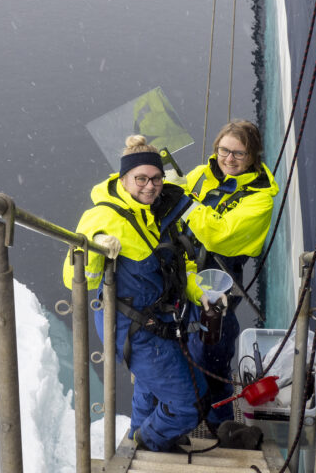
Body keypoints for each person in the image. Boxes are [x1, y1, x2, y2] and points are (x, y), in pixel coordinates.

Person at [62, 134, 210, 452]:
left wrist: (202, 294)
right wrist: (96, 249)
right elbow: (74, 279)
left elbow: (182, 265)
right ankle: (147, 441)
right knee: (192, 405)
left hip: (162, 319)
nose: (149, 186)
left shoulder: (161, 210)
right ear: (124, 178)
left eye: (156, 178)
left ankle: (137, 433)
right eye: (140, 178)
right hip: (133, 327)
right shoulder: (103, 217)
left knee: (153, 386)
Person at [181, 119, 279, 434]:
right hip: (183, 271)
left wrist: (184, 205)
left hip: (220, 277)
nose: (229, 159)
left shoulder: (259, 198)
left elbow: (217, 237)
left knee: (212, 348)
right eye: (224, 150)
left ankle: (219, 422)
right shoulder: (200, 176)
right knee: (179, 340)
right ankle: (187, 410)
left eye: (239, 153)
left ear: (253, 156)